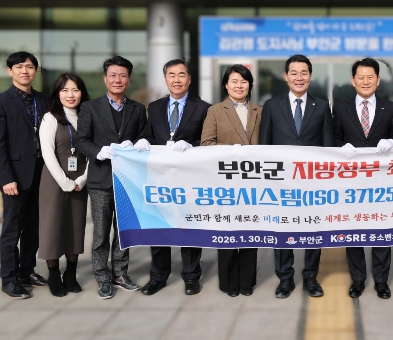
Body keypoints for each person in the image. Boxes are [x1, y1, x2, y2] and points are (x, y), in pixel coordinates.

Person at [129, 59, 211, 297]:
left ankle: (191, 276)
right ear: (165, 79)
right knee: (159, 225)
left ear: (189, 79)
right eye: (172, 75)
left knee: (190, 226)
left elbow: (208, 141)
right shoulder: (155, 107)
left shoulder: (203, 108)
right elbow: (148, 135)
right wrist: (142, 141)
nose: (177, 80)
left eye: (181, 75)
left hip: (189, 179)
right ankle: (158, 276)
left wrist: (193, 145)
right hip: (160, 178)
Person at [260, 54, 336, 299]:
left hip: (313, 183)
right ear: (286, 76)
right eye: (294, 73)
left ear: (310, 76)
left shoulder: (321, 106)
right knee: (283, 229)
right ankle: (285, 278)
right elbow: (264, 145)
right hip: (281, 183)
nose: (299, 77)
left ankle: (311, 277)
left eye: (304, 73)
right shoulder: (272, 105)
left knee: (314, 230)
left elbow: (328, 147)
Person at [75, 56, 147, 299]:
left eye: (123, 75)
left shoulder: (138, 109)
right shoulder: (90, 108)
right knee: (101, 232)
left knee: (124, 231)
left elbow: (144, 137)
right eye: (113, 75)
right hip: (100, 180)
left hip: (128, 180)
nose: (118, 80)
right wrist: (98, 152)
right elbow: (81, 140)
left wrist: (139, 142)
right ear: (105, 79)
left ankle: (120, 274)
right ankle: (102, 277)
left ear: (129, 80)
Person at [332, 58, 393, 300]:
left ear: (378, 80)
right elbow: (333, 138)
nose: (365, 81)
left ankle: (381, 281)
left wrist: (392, 141)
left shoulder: (391, 108)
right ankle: (358, 279)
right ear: (353, 81)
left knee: (381, 229)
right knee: (354, 230)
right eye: (360, 77)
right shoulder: (340, 108)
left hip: (382, 181)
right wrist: (341, 146)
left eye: (370, 77)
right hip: (351, 181)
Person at [0, 52, 50, 299]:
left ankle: (26, 271)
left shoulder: (44, 100)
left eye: (30, 67)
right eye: (19, 67)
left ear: (36, 71)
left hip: (41, 174)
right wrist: (5, 178)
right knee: (12, 229)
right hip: (14, 176)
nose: (25, 71)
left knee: (34, 227)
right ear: (9, 71)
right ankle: (9, 279)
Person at [201, 64, 261, 297]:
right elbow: (206, 143)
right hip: (225, 182)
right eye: (234, 81)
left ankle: (247, 282)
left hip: (254, 182)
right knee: (227, 231)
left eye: (244, 81)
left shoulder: (260, 111)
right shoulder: (215, 111)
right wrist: (231, 150)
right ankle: (229, 283)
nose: (239, 85)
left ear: (250, 85)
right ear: (226, 85)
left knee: (250, 231)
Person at [38, 73, 91, 297]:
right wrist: (64, 181)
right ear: (57, 94)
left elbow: (93, 150)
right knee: (52, 225)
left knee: (75, 226)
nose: (70, 95)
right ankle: (53, 274)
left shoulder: (88, 116)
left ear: (82, 93)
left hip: (80, 180)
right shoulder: (50, 118)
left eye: (75, 90)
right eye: (65, 90)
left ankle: (70, 273)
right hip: (54, 180)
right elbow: (47, 153)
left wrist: (83, 179)